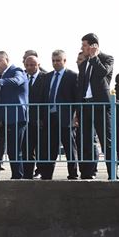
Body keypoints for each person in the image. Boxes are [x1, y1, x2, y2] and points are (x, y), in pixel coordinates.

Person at [76, 33, 115, 180]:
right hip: (85, 106)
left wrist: (94, 57)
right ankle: (87, 173)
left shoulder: (107, 58)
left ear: (93, 46)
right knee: (86, 141)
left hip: (100, 106)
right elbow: (81, 87)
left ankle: (112, 173)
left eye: (84, 45)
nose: (82, 48)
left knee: (106, 141)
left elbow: (102, 72)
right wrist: (77, 110)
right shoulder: (84, 64)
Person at [0, 51, 28, 179]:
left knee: (14, 150)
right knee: (3, 150)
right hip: (4, 119)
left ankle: (18, 177)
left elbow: (17, 81)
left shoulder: (17, 70)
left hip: (17, 117)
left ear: (7, 60)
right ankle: (7, 177)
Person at [38, 50, 78, 180]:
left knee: (69, 147)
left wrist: (76, 115)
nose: (55, 63)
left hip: (66, 117)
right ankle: (47, 175)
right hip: (50, 116)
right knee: (50, 147)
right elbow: (43, 97)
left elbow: (76, 97)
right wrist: (41, 117)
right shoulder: (47, 76)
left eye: (58, 60)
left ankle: (73, 174)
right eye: (53, 61)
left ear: (64, 61)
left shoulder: (72, 76)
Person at [22, 54, 46, 179]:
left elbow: (46, 99)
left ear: (38, 65)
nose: (29, 67)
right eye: (27, 65)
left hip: (40, 119)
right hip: (25, 119)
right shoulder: (22, 77)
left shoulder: (45, 77)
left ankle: (40, 171)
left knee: (40, 147)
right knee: (27, 148)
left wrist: (42, 117)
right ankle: (27, 174)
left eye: (32, 65)